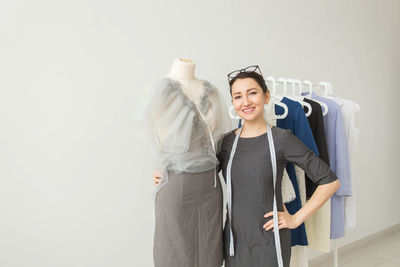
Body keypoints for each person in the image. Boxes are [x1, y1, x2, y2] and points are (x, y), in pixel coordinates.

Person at [217, 66, 340, 267]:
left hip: (270, 244)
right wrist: (164, 173)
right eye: (238, 96)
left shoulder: (281, 139)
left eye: (252, 93)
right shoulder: (225, 143)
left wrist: (296, 219)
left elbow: (330, 181)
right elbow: (201, 177)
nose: (246, 102)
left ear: (266, 96)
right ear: (233, 103)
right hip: (234, 243)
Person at [149, 58, 232, 267]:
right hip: (176, 183)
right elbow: (159, 137)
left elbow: (220, 140)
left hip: (210, 184)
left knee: (209, 249)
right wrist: (162, 165)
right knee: (173, 250)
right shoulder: (159, 91)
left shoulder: (210, 91)